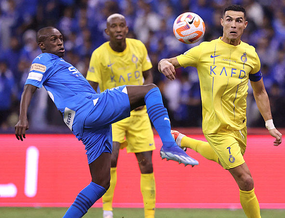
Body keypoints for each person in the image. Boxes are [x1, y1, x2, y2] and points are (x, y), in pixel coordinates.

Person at [14, 26, 198, 218]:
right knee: (150, 90)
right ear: (42, 45)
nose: (60, 42)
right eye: (53, 39)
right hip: (89, 108)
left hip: (85, 124)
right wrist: (22, 117)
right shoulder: (42, 59)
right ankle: (169, 143)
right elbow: (29, 88)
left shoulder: (60, 64)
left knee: (100, 182)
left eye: (60, 38)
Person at [158, 5, 282, 218]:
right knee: (246, 179)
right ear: (222, 22)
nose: (233, 24)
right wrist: (162, 63)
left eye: (238, 21)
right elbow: (169, 61)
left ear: (245, 25)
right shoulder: (204, 50)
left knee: (222, 158)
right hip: (216, 127)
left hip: (239, 127)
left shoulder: (251, 55)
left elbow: (260, 92)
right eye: (229, 20)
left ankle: (182, 140)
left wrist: (269, 123)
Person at [85, 14, 155, 218]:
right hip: (113, 115)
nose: (118, 29)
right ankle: (107, 211)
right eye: (113, 26)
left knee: (147, 164)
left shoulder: (139, 47)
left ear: (126, 29)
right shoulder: (99, 55)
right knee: (112, 159)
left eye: (121, 25)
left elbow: (148, 74)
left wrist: (145, 94)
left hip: (138, 114)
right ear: (107, 32)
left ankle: (149, 215)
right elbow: (92, 87)